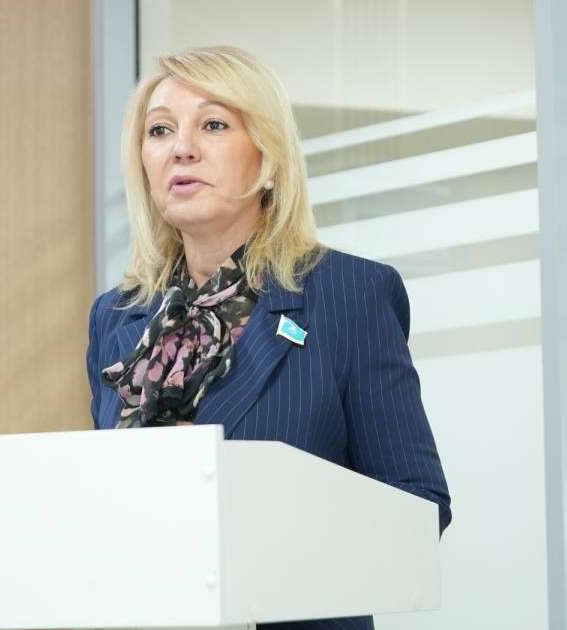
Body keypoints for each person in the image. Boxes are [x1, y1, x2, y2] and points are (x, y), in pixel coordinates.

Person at [85, 46, 450, 629]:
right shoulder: (117, 317)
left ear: (270, 159)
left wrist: (228, 490)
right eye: (159, 130)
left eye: (213, 124)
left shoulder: (348, 294)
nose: (181, 147)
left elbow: (417, 507)